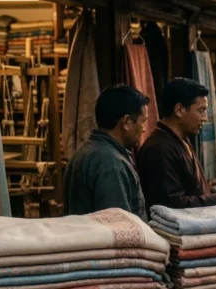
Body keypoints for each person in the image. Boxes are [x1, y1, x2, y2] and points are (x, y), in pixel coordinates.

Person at [138, 78, 216, 210]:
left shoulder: (181, 138)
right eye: (201, 110)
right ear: (179, 110)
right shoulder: (159, 148)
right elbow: (171, 204)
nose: (205, 118)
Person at [63, 85, 150, 220]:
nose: (144, 129)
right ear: (126, 122)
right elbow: (119, 228)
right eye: (143, 121)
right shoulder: (110, 163)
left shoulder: (86, 149)